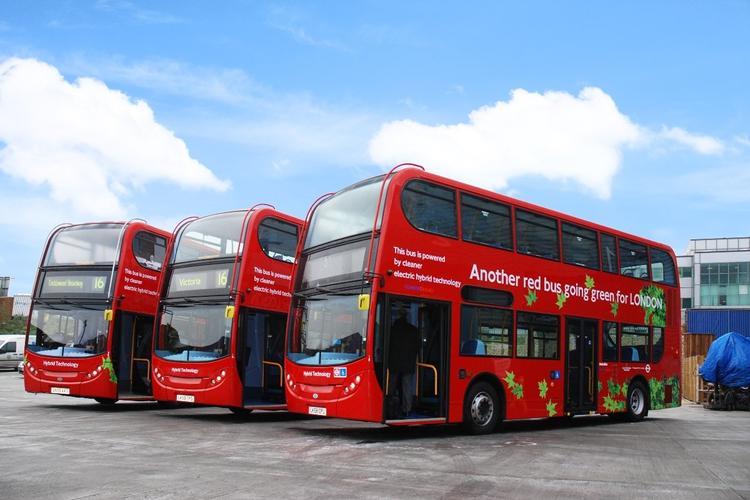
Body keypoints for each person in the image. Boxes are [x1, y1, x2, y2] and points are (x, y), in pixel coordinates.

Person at [388, 306, 420, 417]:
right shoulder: (413, 330)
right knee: (407, 387)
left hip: (394, 363)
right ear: (406, 317)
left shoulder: (392, 330)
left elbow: (388, 346)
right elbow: (417, 347)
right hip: (408, 363)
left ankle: (389, 407)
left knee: (391, 386)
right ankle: (407, 409)